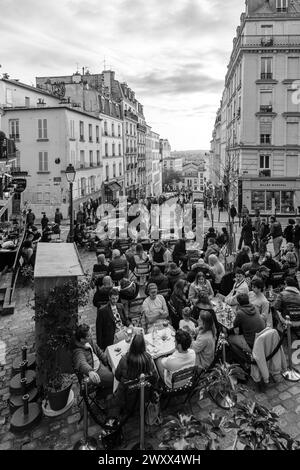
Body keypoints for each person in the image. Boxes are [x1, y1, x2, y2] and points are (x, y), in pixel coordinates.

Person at [112, 334, 158, 411]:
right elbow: (155, 378)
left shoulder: (124, 359)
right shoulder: (148, 359)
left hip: (127, 398)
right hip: (145, 396)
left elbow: (117, 376)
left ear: (132, 345)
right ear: (144, 346)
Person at [72, 323, 113, 393]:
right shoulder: (78, 351)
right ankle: (102, 394)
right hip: (96, 371)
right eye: (88, 336)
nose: (91, 336)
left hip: (101, 364)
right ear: (82, 339)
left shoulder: (89, 341)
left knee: (116, 369)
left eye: (90, 334)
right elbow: (81, 362)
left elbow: (98, 350)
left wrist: (106, 360)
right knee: (115, 379)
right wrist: (90, 371)